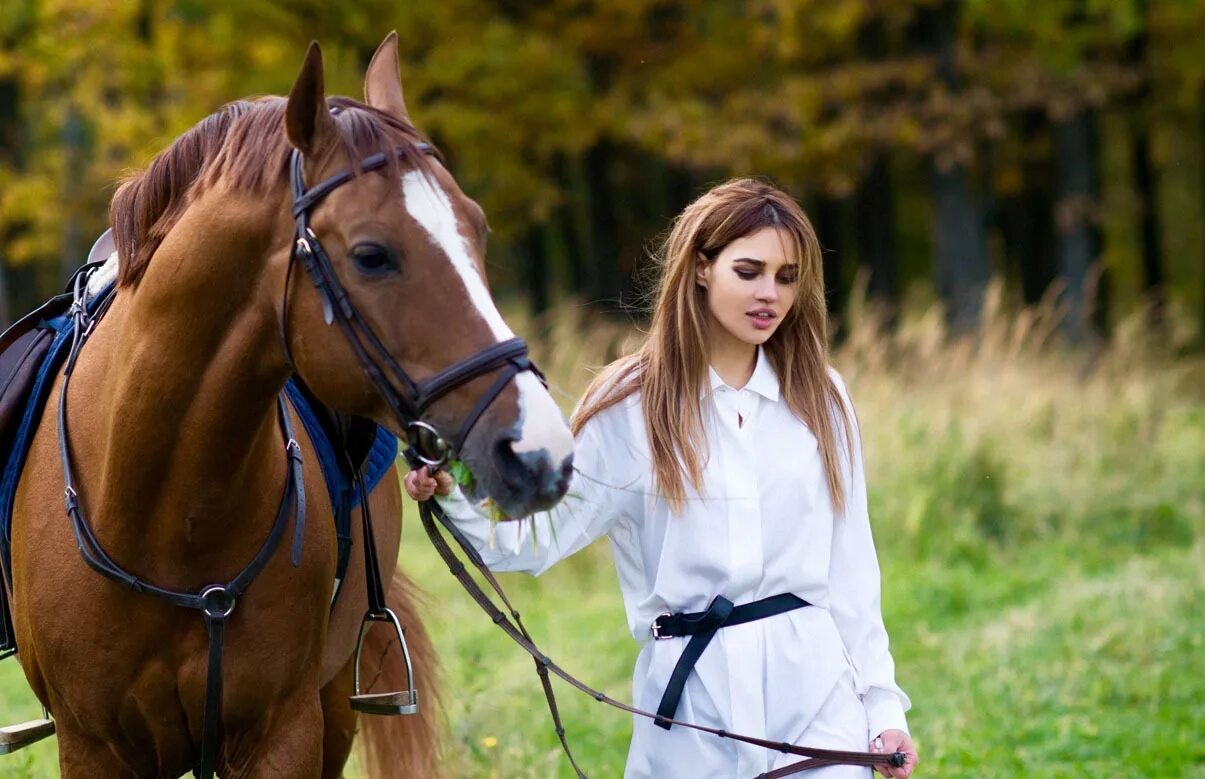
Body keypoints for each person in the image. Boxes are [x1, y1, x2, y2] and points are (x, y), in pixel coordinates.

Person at [405, 179, 918, 778]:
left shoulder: (822, 397)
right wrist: (456, 486)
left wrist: (883, 708)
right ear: (701, 268)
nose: (770, 294)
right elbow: (534, 538)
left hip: (814, 697)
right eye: (748, 271)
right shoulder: (629, 407)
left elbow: (851, 570)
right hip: (691, 711)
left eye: (786, 276)